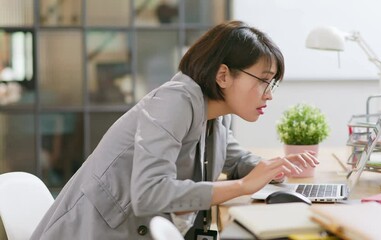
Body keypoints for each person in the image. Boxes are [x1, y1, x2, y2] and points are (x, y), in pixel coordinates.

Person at [31, 20, 319, 240]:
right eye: (264, 81)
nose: (269, 94)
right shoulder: (174, 102)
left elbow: (236, 160)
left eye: (273, 85)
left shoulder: (217, 116)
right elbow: (149, 193)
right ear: (223, 75)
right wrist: (242, 187)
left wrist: (275, 167)